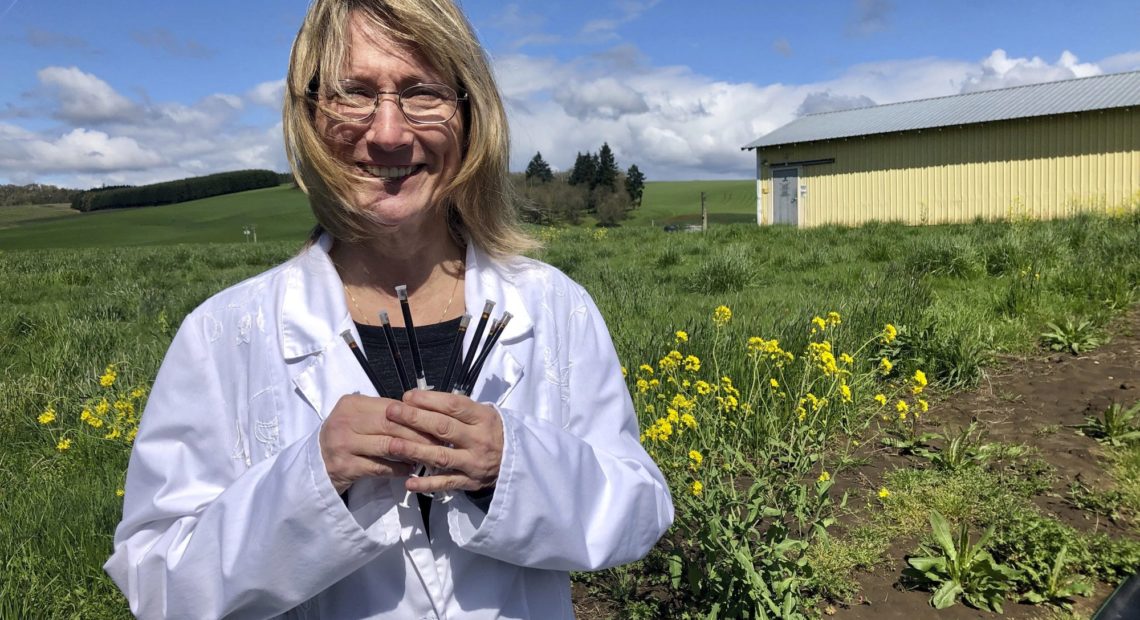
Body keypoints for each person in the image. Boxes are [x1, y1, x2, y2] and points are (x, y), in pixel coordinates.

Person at [103, 0, 674, 617]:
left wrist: (514, 466)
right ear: (309, 115)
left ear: (470, 112)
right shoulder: (223, 336)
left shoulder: (554, 307)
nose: (389, 133)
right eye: (354, 94)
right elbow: (157, 584)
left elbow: (640, 512)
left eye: (422, 93)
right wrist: (311, 481)